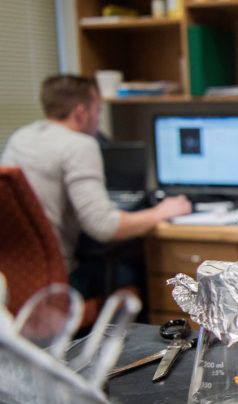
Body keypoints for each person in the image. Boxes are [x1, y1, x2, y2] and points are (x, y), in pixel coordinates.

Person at [1, 74, 192, 297]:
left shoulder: (21, 137)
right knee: (130, 268)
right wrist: (161, 211)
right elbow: (104, 227)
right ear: (81, 112)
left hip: (11, 281)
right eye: (97, 111)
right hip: (58, 283)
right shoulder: (79, 145)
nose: (97, 120)